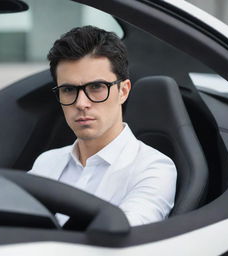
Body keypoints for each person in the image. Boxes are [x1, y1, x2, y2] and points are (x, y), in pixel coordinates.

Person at [29, 26, 177, 227]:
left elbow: (125, 239)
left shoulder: (153, 168)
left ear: (123, 91)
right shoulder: (46, 163)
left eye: (96, 87)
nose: (81, 103)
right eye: (69, 90)